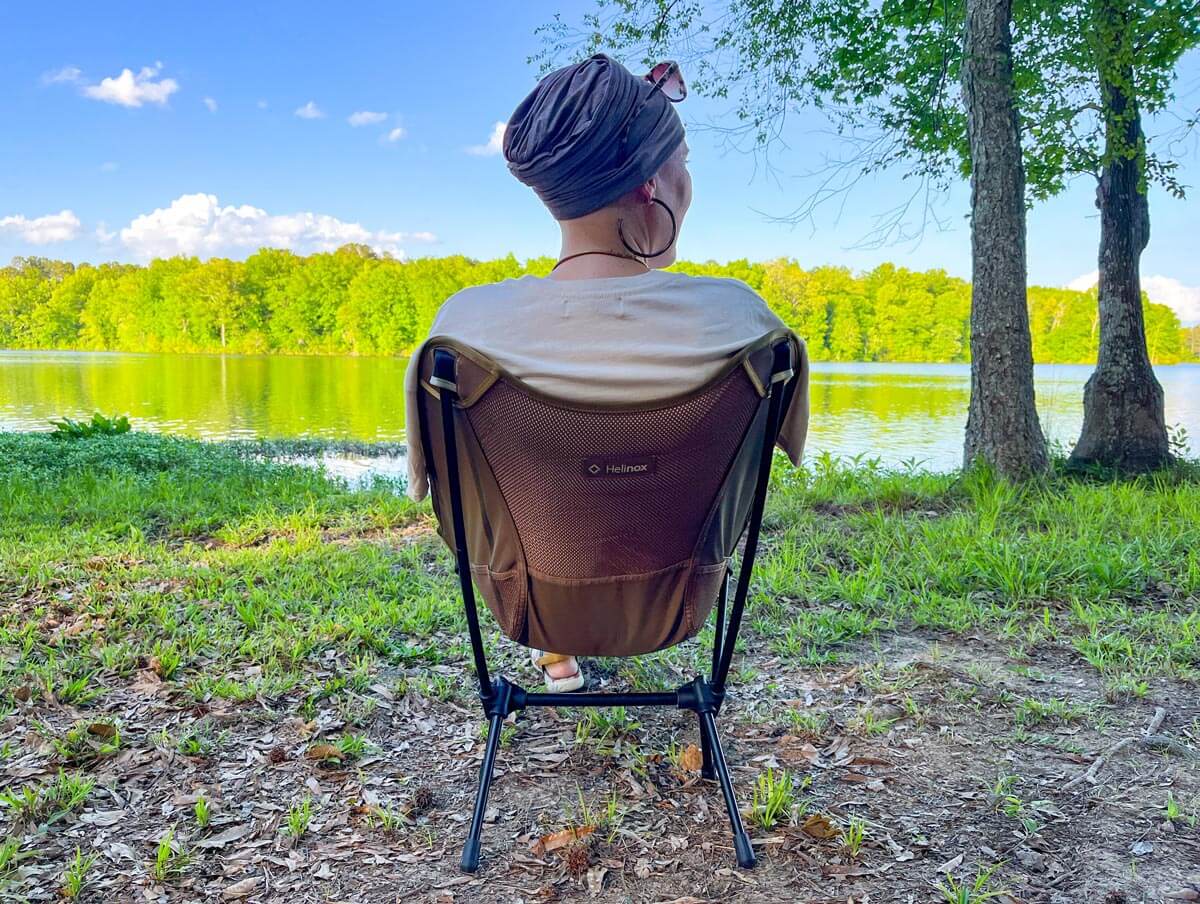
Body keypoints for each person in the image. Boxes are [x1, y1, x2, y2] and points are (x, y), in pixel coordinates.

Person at [404, 54, 809, 692]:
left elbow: (446, 499)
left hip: (529, 601)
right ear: (651, 185)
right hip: (680, 601)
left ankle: (556, 651)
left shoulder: (465, 330)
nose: (689, 183)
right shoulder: (744, 323)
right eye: (686, 166)